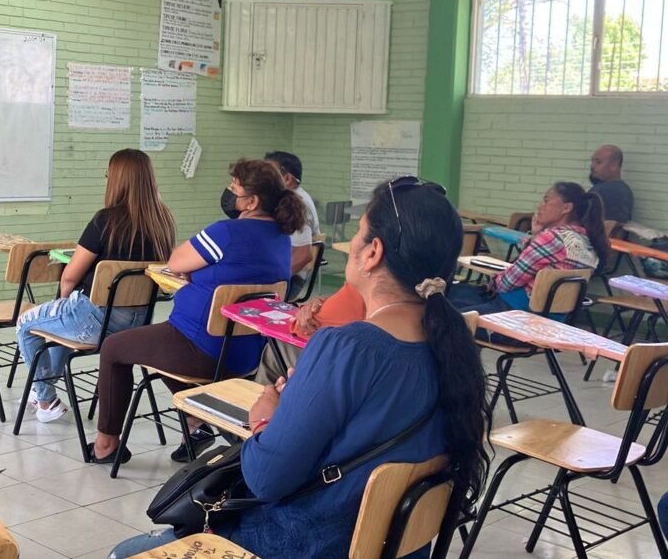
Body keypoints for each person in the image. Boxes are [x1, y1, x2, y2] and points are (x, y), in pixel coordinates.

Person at [110, 177, 490, 558]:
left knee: (125, 552)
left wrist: (267, 417)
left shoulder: (348, 347)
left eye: (358, 235)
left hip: (306, 543)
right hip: (395, 548)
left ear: (373, 252)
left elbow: (265, 479)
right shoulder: (453, 346)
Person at [89, 159, 305, 464]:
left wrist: (195, 274)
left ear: (252, 201)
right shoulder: (281, 239)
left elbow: (175, 261)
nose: (229, 193)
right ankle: (195, 423)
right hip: (246, 353)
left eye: (235, 189)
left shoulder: (225, 232)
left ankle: (106, 446)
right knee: (152, 347)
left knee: (114, 347)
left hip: (199, 345)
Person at [16, 149, 176, 423]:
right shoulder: (163, 222)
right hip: (138, 325)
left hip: (95, 321)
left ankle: (45, 399)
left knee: (25, 324)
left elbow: (69, 277)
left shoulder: (106, 220)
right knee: (57, 324)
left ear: (117, 180)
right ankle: (47, 386)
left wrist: (63, 302)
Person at [449, 182, 607, 336]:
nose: (540, 206)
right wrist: (537, 234)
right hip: (551, 323)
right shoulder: (587, 242)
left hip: (516, 318)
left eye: (546, 200)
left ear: (566, 208)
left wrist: (492, 283)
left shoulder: (554, 238)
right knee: (455, 296)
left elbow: (507, 283)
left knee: (444, 311)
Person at [254, 282, 366, 385]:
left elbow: (301, 327)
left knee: (278, 344)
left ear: (371, 259)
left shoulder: (362, 286)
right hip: (360, 366)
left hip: (347, 368)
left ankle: (260, 401)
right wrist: (325, 302)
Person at [264, 150, 320, 301]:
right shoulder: (285, 200)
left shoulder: (295, 205)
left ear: (287, 178)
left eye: (268, 174)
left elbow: (303, 255)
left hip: (289, 281)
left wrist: (270, 284)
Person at [588, 144, 633, 223]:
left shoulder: (600, 191)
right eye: (592, 161)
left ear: (614, 165)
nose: (592, 166)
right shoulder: (625, 190)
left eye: (598, 162)